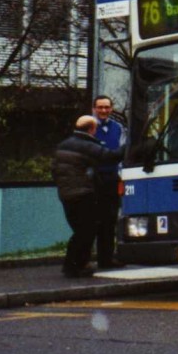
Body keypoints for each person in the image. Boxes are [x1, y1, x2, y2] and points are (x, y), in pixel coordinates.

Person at [51, 115, 124, 278]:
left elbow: (54, 170)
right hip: (82, 192)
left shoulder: (64, 144)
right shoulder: (86, 145)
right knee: (87, 230)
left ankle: (73, 265)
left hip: (66, 193)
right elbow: (110, 156)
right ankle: (75, 266)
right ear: (92, 129)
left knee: (79, 230)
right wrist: (128, 147)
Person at [90, 95, 125, 268]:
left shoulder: (118, 128)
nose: (103, 111)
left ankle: (107, 258)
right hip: (94, 179)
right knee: (94, 220)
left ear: (111, 109)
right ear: (94, 109)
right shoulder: (89, 127)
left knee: (110, 219)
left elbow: (122, 151)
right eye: (100, 107)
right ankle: (89, 259)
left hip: (112, 178)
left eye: (106, 107)